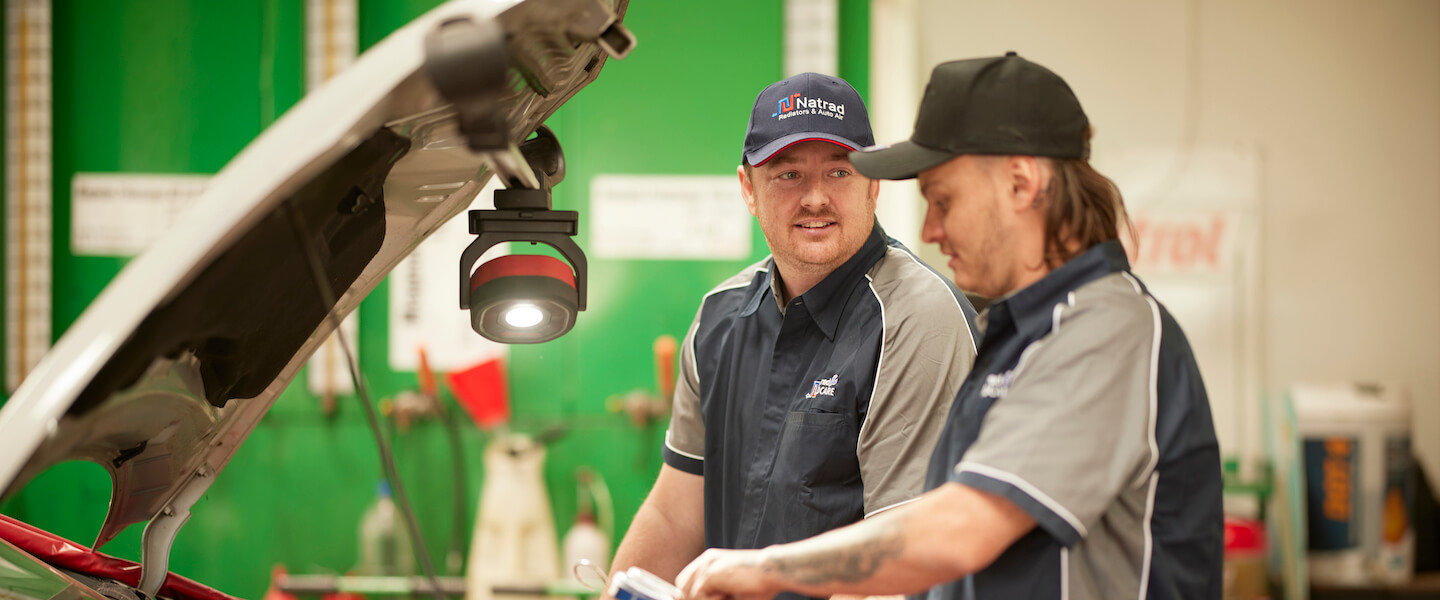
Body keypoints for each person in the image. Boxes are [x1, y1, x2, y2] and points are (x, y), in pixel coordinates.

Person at [674, 53, 1223, 600]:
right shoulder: (1019, 335)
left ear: (1020, 183)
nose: (931, 229)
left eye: (944, 199)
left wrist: (767, 570)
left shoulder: (1105, 329)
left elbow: (959, 529)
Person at [608, 72, 981, 599]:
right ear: (748, 190)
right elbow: (673, 517)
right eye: (786, 174)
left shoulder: (916, 319)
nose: (815, 198)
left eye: (839, 172)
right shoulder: (718, 318)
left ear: (873, 186)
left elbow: (905, 567)